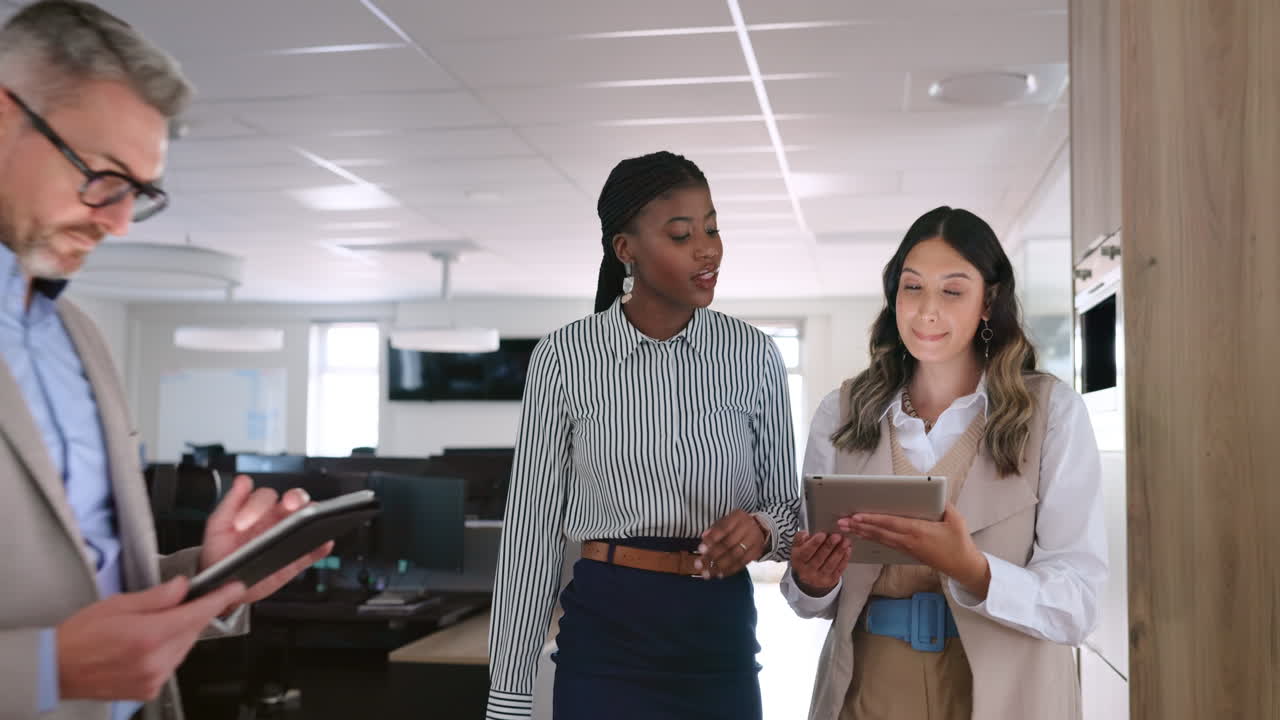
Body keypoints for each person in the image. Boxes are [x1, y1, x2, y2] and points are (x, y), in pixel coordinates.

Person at [0, 3, 331, 718]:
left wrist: (212, 578)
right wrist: (40, 670)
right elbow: (61, 652)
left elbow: (98, 590)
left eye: (139, 193)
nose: (118, 221)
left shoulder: (78, 337)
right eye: (103, 175)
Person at [485, 151, 800, 720]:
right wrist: (507, 699)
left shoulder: (754, 355)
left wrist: (762, 529)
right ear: (625, 249)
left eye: (712, 228)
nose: (708, 248)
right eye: (681, 234)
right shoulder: (564, 358)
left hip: (719, 636)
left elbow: (789, 508)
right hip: (606, 639)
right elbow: (530, 534)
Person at [782, 206, 1107, 719]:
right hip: (870, 691)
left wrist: (973, 570)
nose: (927, 310)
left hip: (1009, 693)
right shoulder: (840, 413)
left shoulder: (1053, 413)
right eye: (912, 288)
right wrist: (812, 580)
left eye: (952, 291)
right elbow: (810, 603)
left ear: (987, 302)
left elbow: (1079, 605)